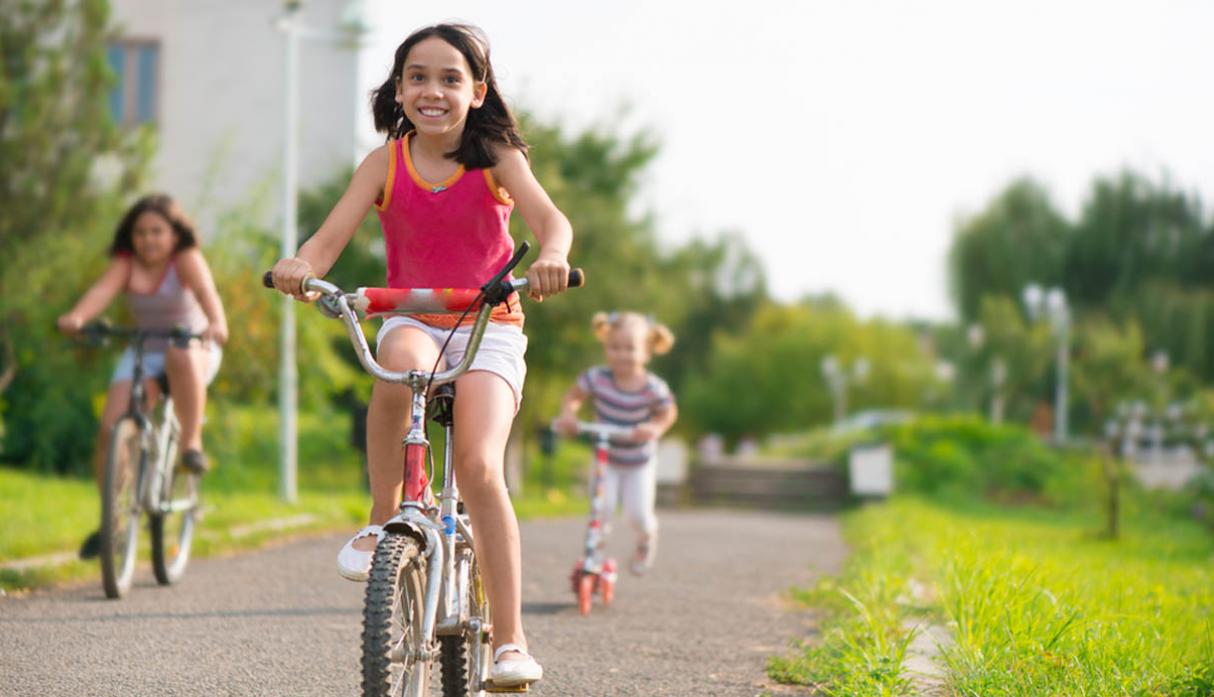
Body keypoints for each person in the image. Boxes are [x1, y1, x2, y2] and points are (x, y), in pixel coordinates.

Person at [269, 23, 571, 688]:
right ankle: (385, 516)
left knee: (479, 464)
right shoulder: (384, 162)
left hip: (488, 321)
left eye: (449, 78)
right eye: (417, 76)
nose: (432, 90)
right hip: (412, 315)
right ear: (399, 88)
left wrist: (551, 256)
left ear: (477, 91)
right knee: (394, 369)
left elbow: (553, 222)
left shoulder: (496, 156)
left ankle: (512, 641)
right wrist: (301, 264)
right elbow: (328, 239)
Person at [57, 194, 227, 558]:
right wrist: (78, 317)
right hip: (146, 350)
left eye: (157, 231)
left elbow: (206, 293)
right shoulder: (126, 263)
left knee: (179, 352)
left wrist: (217, 323)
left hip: (194, 346)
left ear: (174, 234)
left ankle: (190, 446)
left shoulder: (185, 259)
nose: (148, 239)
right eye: (140, 232)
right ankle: (112, 523)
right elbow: (101, 292)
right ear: (130, 237)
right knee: (110, 429)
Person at [554, 312, 678, 576]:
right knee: (602, 509)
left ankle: (646, 539)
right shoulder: (597, 378)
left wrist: (655, 427)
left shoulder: (652, 387)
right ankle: (594, 555)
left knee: (638, 515)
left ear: (646, 351)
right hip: (605, 460)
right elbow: (573, 397)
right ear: (606, 347)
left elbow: (668, 412)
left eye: (630, 348)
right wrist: (569, 415)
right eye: (615, 347)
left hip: (638, 462)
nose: (621, 354)